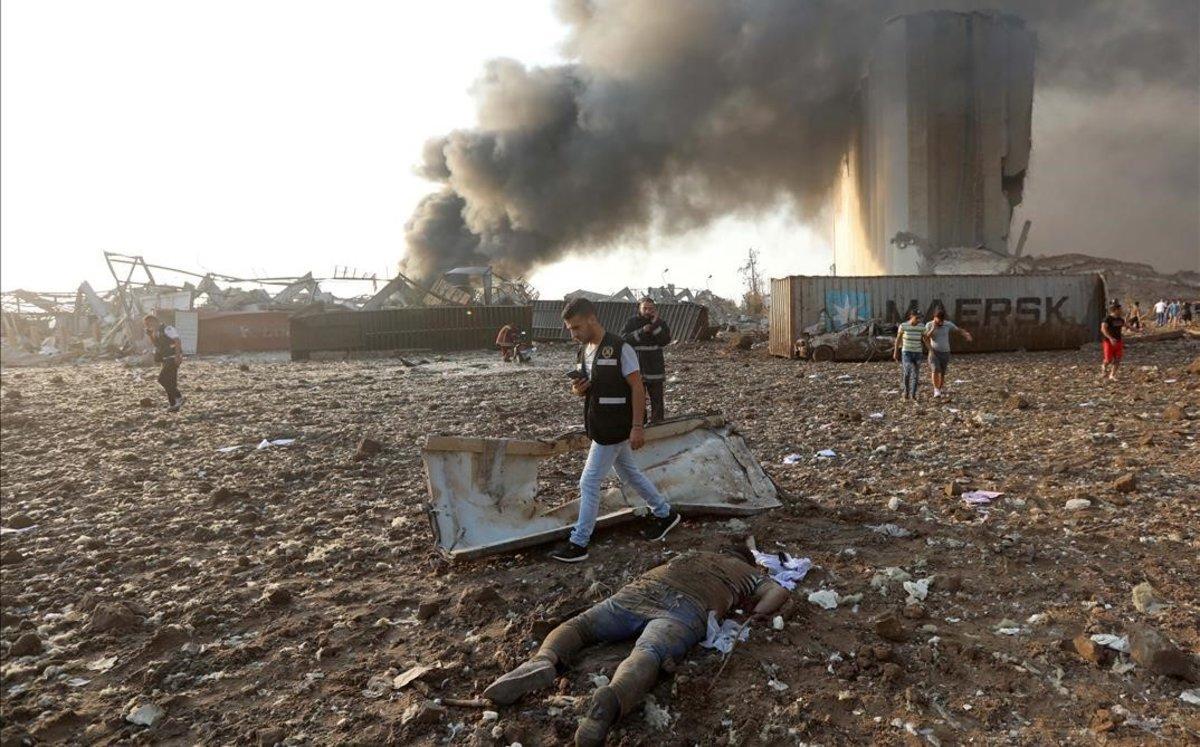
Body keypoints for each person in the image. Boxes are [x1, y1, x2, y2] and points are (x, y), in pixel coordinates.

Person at [483, 543, 791, 746]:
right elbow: (777, 592)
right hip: (686, 607)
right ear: (746, 560)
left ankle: (544, 660)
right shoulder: (745, 572)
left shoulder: (692, 554)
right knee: (650, 652)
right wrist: (753, 614)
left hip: (642, 591)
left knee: (580, 626)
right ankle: (614, 697)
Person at [551, 298, 680, 563]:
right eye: (570, 329)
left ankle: (579, 542)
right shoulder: (584, 350)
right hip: (598, 422)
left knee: (588, 482)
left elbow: (636, 387)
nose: (573, 334)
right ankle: (665, 513)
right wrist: (578, 389)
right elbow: (581, 386)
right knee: (629, 472)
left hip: (615, 426)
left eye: (576, 327)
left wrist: (637, 427)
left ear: (591, 319)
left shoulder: (620, 347)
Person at [620, 297, 672, 424]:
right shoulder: (632, 322)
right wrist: (642, 331)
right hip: (638, 368)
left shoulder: (660, 323)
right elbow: (624, 339)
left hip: (655, 368)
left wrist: (655, 326)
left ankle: (658, 424)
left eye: (651, 309)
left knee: (657, 400)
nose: (648, 311)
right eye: (645, 308)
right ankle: (640, 425)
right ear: (639, 308)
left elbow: (665, 340)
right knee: (639, 399)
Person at [922, 308, 973, 398]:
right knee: (935, 370)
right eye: (939, 320)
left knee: (942, 372)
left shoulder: (947, 324)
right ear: (935, 317)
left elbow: (958, 329)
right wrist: (933, 329)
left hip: (945, 352)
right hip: (934, 351)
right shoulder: (929, 324)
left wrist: (966, 334)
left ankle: (940, 388)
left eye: (942, 320)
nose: (940, 322)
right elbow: (925, 338)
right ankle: (936, 389)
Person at [143, 314, 184, 411]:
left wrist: (178, 356)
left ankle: (178, 397)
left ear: (154, 321)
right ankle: (173, 404)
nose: (148, 326)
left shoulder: (167, 329)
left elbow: (177, 341)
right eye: (146, 325)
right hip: (165, 358)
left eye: (149, 323)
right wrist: (150, 335)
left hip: (172, 357)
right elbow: (157, 345)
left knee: (162, 379)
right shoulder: (155, 332)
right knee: (170, 381)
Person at [894, 308, 925, 401]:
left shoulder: (922, 326)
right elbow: (898, 339)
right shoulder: (903, 326)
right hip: (906, 352)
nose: (918, 320)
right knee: (907, 371)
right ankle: (906, 391)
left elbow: (925, 339)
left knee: (916, 374)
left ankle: (913, 394)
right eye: (917, 317)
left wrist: (931, 350)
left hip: (918, 352)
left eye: (920, 318)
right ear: (911, 316)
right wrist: (895, 352)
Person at [1100, 301, 1125, 381]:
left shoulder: (1120, 319)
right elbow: (1103, 329)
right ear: (1115, 310)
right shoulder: (1107, 319)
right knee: (1108, 360)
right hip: (1108, 342)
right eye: (1119, 309)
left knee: (1118, 359)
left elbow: (1128, 326)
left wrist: (1138, 330)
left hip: (1118, 341)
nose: (1121, 310)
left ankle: (1112, 375)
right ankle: (1104, 365)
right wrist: (1110, 338)